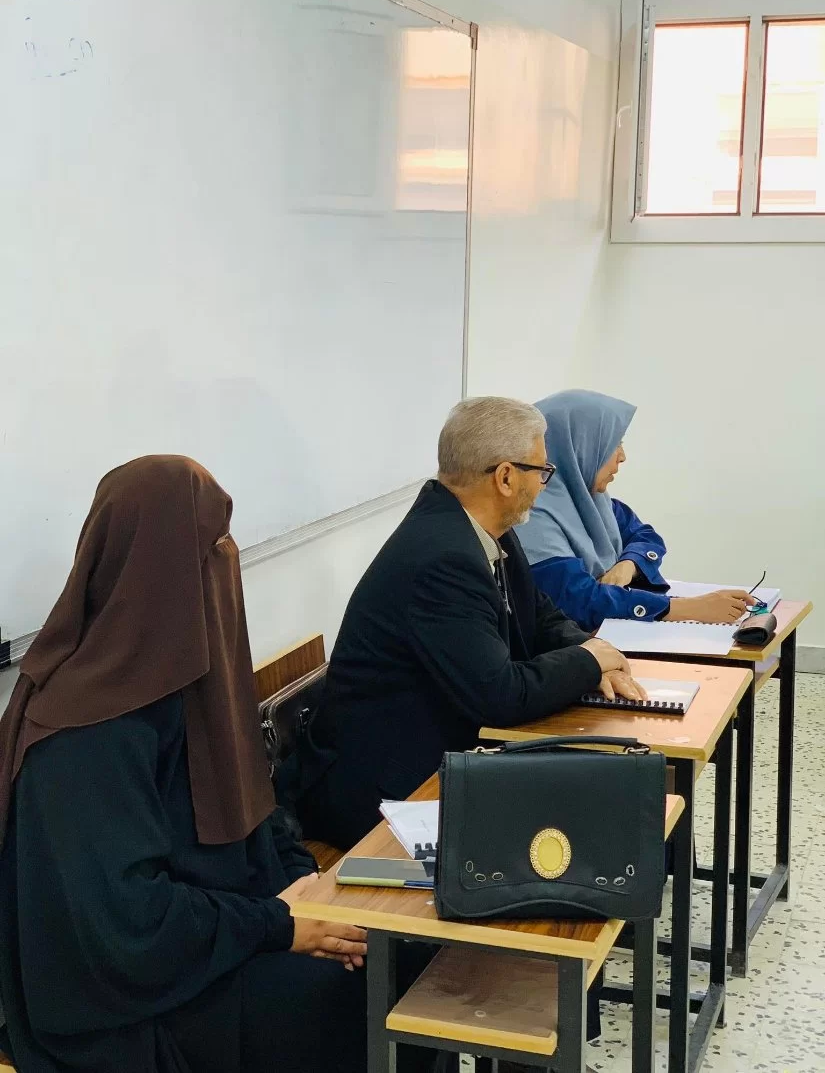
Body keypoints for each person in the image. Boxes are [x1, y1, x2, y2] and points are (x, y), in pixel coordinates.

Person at [0, 456, 370, 1073]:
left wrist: (308, 890)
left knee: (377, 952)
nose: (230, 559)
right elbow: (126, 929)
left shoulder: (193, 689)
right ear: (159, 572)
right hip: (123, 1010)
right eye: (214, 546)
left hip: (217, 938)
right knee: (346, 996)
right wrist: (279, 925)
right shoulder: (81, 734)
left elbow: (259, 810)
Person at [294, 397, 645, 855]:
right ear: (505, 477)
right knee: (585, 820)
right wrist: (587, 661)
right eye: (542, 471)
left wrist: (598, 658)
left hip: (436, 752)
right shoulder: (442, 558)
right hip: (382, 792)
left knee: (605, 797)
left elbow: (539, 616)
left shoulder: (480, 529)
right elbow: (500, 696)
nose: (544, 484)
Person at [515, 390, 754, 633]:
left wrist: (628, 565)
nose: (622, 457)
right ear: (577, 446)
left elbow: (646, 537)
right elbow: (578, 602)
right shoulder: (529, 515)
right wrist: (688, 608)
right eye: (613, 444)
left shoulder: (592, 502)